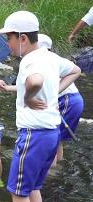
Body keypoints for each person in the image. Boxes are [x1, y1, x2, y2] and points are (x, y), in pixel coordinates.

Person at [0, 11, 81, 202]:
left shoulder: (30, 61)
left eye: (10, 38)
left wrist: (29, 97)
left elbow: (35, 81)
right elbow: (75, 70)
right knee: (33, 188)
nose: (8, 44)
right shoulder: (49, 56)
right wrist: (54, 93)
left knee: (17, 191)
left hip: (34, 134)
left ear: (23, 38)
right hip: (51, 133)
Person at [38, 34, 84, 167]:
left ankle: (51, 171)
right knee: (57, 139)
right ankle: (57, 166)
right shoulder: (52, 59)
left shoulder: (45, 61)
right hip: (72, 100)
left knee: (52, 138)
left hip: (67, 100)